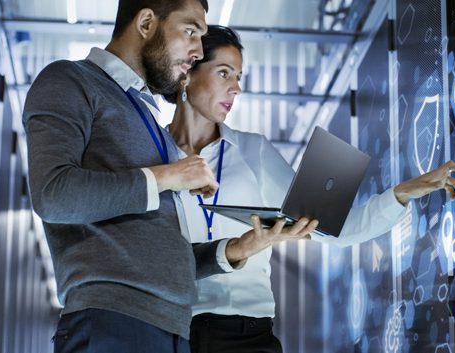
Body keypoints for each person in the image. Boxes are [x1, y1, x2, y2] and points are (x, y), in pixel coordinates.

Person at [21, 1, 318, 352]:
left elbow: (165, 254)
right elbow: (53, 195)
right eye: (190, 32)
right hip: (112, 322)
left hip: (171, 330)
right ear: (147, 22)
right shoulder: (70, 80)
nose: (196, 51)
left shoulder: (147, 119)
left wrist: (239, 248)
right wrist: (168, 176)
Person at [160, 25, 455, 353]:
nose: (236, 87)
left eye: (239, 76)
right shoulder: (152, 156)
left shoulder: (254, 151)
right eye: (224, 73)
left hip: (248, 335)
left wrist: (404, 192)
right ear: (187, 72)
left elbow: (338, 229)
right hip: (172, 331)